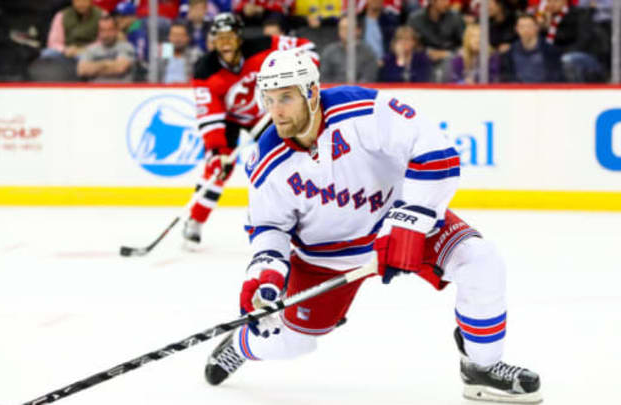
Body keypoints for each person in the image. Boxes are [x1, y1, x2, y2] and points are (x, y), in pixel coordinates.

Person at [203, 48, 542, 404]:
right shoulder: (267, 158)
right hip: (326, 259)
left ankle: (482, 369)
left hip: (398, 220)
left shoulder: (363, 110)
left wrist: (407, 224)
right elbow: (268, 227)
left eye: (286, 97)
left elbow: (436, 154)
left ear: (312, 93)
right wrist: (266, 275)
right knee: (293, 342)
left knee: (480, 260)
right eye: (269, 99)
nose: (277, 111)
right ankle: (242, 346)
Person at [184, 12, 316, 248]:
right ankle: (195, 220)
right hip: (229, 119)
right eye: (219, 37)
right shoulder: (205, 69)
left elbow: (307, 49)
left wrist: (307, 70)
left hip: (266, 113)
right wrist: (218, 149)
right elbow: (210, 114)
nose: (225, 43)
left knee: (287, 159)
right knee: (217, 167)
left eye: (230, 37)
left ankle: (297, 221)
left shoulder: (264, 46)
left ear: (239, 37)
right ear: (213, 40)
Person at [499, 13, 564, 83]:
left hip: (545, 90)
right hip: (519, 91)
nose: (525, 30)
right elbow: (507, 77)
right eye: (522, 27)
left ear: (537, 27)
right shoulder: (510, 53)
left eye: (529, 26)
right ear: (516, 29)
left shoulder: (550, 51)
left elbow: (556, 76)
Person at [319, 14, 378, 83]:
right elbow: (324, 78)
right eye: (342, 28)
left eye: (348, 28)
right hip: (335, 91)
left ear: (358, 30)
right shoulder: (329, 52)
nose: (345, 31)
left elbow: (369, 77)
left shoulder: (368, 52)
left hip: (359, 92)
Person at [77, 16, 136, 82]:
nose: (106, 34)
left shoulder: (126, 47)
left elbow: (120, 68)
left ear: (116, 30)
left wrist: (93, 67)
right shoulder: (90, 50)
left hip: (120, 90)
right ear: (98, 32)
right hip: (95, 91)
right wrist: (107, 64)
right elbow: (82, 70)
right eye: (102, 30)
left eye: (110, 30)